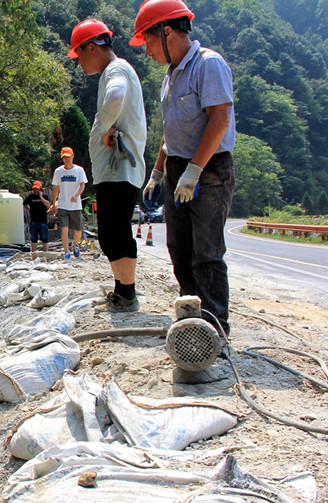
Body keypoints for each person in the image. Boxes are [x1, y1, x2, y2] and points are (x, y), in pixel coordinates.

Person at [130, 0, 235, 334]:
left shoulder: (208, 65)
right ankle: (192, 319)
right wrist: (158, 171)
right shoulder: (171, 75)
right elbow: (172, 129)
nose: (147, 50)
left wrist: (195, 170)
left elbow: (219, 120)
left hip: (208, 170)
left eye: (147, 40)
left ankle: (214, 328)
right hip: (178, 167)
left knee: (206, 252)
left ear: (167, 32)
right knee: (179, 248)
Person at [68, 19, 147, 311]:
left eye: (79, 54)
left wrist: (104, 129)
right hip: (113, 170)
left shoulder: (116, 70)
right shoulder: (113, 72)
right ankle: (120, 289)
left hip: (119, 168)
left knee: (117, 231)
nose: (79, 63)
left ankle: (127, 294)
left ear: (91, 47)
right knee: (110, 233)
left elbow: (115, 96)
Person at [50, 147, 88, 258]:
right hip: (63, 205)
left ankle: (75, 244)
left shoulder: (79, 170)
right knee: (64, 228)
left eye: (68, 157)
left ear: (72, 156)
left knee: (78, 230)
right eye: (64, 157)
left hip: (76, 206)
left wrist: (76, 195)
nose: (66, 159)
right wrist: (54, 204)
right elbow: (55, 188)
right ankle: (66, 251)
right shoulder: (58, 171)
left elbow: (82, 185)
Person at [23, 180, 52, 252]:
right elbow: (24, 204)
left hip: (43, 220)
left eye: (37, 188)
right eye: (34, 189)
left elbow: (48, 204)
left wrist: (41, 197)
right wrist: (28, 209)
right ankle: (33, 252)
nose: (35, 190)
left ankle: (46, 252)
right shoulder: (30, 197)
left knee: (44, 238)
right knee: (33, 238)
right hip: (33, 220)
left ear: (40, 188)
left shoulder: (45, 196)